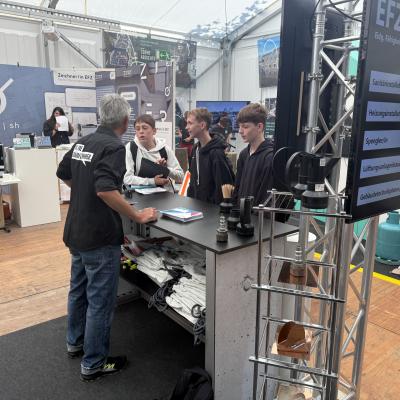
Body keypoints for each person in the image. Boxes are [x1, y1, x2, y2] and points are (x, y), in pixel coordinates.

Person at [56, 94, 157, 382]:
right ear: (125, 121)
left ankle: (75, 343)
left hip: (76, 231)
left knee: (78, 291)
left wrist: (83, 190)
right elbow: (104, 189)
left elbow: (63, 172)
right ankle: (94, 363)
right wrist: (138, 216)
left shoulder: (83, 142)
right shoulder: (114, 146)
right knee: (100, 302)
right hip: (99, 236)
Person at [186, 108, 234, 204]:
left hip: (211, 210)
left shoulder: (216, 153)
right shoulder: (195, 149)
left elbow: (223, 189)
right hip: (195, 207)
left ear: (202, 125)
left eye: (190, 123)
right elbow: (192, 181)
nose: (186, 127)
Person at [124, 114, 184, 187]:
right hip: (138, 193)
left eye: (145, 128)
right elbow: (127, 179)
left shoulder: (164, 149)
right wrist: (153, 181)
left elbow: (181, 177)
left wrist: (165, 169)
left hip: (164, 192)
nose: (141, 131)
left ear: (154, 131)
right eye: (137, 129)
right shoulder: (131, 148)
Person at [232, 103, 274, 207]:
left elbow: (266, 196)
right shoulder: (243, 154)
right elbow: (238, 187)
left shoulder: (269, 157)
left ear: (259, 127)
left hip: (258, 215)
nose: (240, 131)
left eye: (245, 127)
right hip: (241, 213)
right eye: (239, 126)